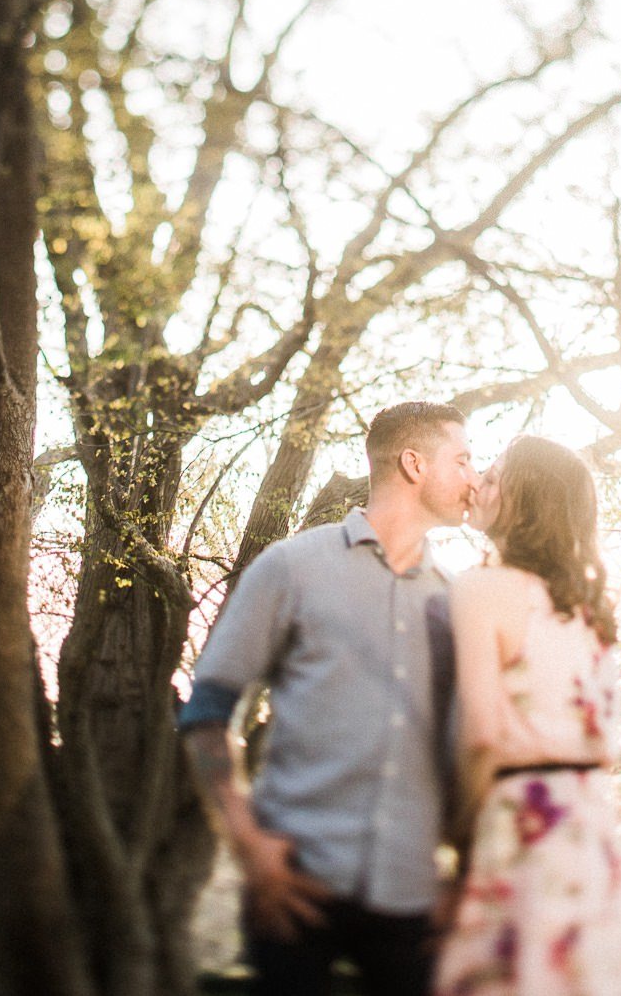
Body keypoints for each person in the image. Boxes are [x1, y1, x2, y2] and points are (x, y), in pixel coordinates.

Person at [179, 401, 478, 996]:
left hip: (411, 898)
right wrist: (249, 847)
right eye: (463, 459)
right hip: (292, 886)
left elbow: (467, 755)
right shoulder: (291, 567)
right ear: (413, 464)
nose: (474, 478)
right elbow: (207, 711)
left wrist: (465, 879)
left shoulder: (457, 602)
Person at [434, 435, 621, 996]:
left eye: (496, 475)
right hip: (593, 834)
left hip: (525, 825)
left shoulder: (482, 588)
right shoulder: (591, 608)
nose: (478, 482)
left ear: (525, 500)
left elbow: (483, 734)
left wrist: (457, 840)